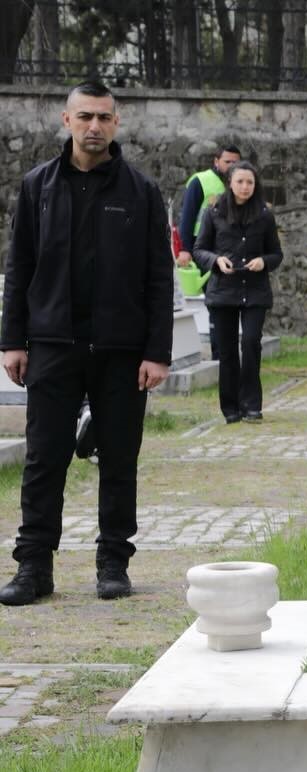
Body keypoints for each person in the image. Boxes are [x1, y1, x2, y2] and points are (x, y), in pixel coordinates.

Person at [0, 80, 172, 606]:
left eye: (103, 117)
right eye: (85, 117)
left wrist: (157, 351)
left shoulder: (140, 192)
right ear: (65, 120)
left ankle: (113, 562)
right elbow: (19, 264)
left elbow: (158, 276)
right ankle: (34, 567)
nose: (94, 126)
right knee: (44, 458)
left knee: (119, 458)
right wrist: (12, 341)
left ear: (116, 123)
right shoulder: (38, 186)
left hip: (121, 350)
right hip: (52, 344)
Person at [193, 160, 283, 424]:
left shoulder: (265, 216)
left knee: (251, 342)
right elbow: (199, 249)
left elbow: (276, 254)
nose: (245, 187)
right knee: (228, 350)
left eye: (250, 182)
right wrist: (216, 261)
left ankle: (252, 405)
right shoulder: (213, 212)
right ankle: (230, 407)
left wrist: (263, 261)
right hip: (224, 290)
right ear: (230, 183)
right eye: (240, 181)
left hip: (254, 290)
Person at [175, 142, 241, 270]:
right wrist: (184, 249)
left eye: (235, 163)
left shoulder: (240, 184)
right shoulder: (200, 181)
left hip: (228, 246)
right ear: (216, 161)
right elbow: (187, 217)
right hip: (202, 245)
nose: (232, 166)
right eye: (227, 162)